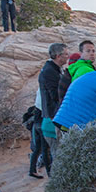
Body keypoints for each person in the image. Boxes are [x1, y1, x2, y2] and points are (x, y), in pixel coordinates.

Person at [33, 42, 69, 177]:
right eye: (66, 54)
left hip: (52, 116)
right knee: (56, 152)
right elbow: (54, 96)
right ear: (58, 56)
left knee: (53, 150)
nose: (67, 56)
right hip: (52, 117)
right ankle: (57, 181)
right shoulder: (50, 71)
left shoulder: (54, 69)